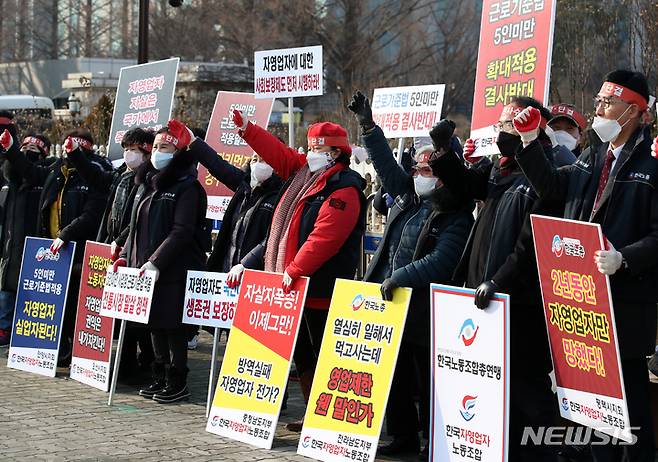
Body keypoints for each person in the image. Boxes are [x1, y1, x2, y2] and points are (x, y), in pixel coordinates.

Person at [513, 69, 658, 461]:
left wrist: (625, 258)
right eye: (597, 101)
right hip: (581, 305)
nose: (599, 109)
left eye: (607, 102)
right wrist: (529, 142)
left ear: (635, 111)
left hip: (624, 306)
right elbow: (555, 188)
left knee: (630, 411)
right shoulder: (593, 156)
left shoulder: (651, 165)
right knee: (587, 409)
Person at [429, 96, 563, 462]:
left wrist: (500, 280)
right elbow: (465, 187)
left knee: (528, 390)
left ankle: (548, 455)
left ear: (530, 125)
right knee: (494, 390)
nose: (499, 131)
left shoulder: (544, 169)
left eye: (506, 125)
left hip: (520, 300)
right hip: (484, 297)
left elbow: (530, 242)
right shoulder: (499, 168)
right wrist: (443, 150)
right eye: (501, 125)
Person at [348, 91, 474, 459]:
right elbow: (385, 165)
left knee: (428, 381)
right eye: (417, 169)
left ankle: (432, 440)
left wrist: (400, 275)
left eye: (428, 170)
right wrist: (368, 127)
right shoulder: (408, 198)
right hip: (390, 306)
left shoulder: (456, 214)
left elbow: (442, 260)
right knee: (396, 376)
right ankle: (401, 435)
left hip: (425, 309)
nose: (419, 175)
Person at [228, 109, 367, 431]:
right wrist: (249, 130)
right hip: (293, 286)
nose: (312, 155)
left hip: (319, 287)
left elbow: (325, 238)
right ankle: (311, 412)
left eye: (320, 150)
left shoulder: (344, 188)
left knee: (320, 352)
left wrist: (294, 269)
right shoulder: (303, 175)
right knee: (303, 353)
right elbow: (279, 153)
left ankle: (325, 416)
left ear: (336, 153)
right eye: (311, 148)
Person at [113, 120, 210, 403]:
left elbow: (182, 232)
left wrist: (156, 261)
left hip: (173, 269)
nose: (158, 152)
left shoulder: (187, 187)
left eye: (164, 147)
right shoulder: (147, 184)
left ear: (178, 151)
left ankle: (177, 379)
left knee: (172, 327)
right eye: (155, 147)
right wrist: (124, 255)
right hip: (145, 268)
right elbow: (135, 225)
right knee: (154, 324)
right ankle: (160, 375)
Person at [0, 127, 110, 364]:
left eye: (74, 151)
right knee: (49, 306)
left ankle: (70, 351)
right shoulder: (56, 171)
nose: (69, 155)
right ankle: (46, 350)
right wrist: (10, 150)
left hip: (78, 251)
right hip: (52, 249)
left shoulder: (96, 174)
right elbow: (30, 172)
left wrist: (67, 234)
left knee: (72, 306)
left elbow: (92, 214)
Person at [67, 127, 156, 379]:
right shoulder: (121, 175)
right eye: (126, 149)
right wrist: (75, 155)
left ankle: (143, 363)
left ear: (147, 152)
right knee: (119, 312)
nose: (129, 155)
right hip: (110, 248)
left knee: (135, 315)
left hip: (133, 251)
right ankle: (125, 364)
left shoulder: (151, 180)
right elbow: (96, 177)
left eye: (135, 150)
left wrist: (120, 241)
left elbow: (138, 218)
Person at [0, 116, 54, 346]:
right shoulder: (9, 178)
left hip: (36, 244)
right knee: (6, 288)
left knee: (31, 290)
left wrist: (14, 152)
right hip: (11, 244)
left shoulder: (45, 175)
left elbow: (29, 170)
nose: (29, 150)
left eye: (34, 148)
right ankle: (4, 328)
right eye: (25, 147)